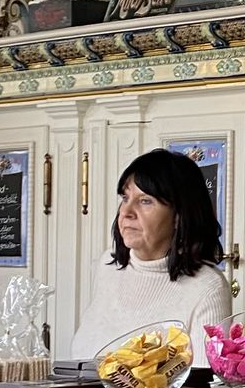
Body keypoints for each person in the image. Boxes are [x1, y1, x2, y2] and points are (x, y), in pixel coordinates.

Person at [72, 148, 231, 369]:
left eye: (145, 201)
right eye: (126, 198)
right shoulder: (108, 266)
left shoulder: (207, 286)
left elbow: (202, 387)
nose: (126, 212)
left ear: (179, 215)